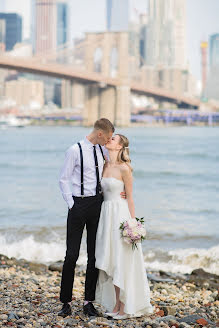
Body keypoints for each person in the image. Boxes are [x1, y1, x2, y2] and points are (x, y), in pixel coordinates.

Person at [58, 118, 124, 317]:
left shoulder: (101, 150)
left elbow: (116, 165)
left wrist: (121, 190)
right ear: (101, 134)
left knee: (94, 256)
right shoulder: (74, 150)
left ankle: (88, 302)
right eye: (109, 137)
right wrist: (72, 204)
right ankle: (66, 302)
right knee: (71, 255)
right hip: (78, 205)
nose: (109, 141)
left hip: (98, 205)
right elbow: (63, 179)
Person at [95, 134, 154, 319]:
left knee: (121, 260)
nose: (109, 140)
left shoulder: (125, 168)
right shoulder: (103, 165)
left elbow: (129, 197)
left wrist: (133, 224)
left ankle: (124, 308)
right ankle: (114, 305)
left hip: (120, 216)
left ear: (120, 146)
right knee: (112, 260)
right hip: (106, 215)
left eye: (113, 139)